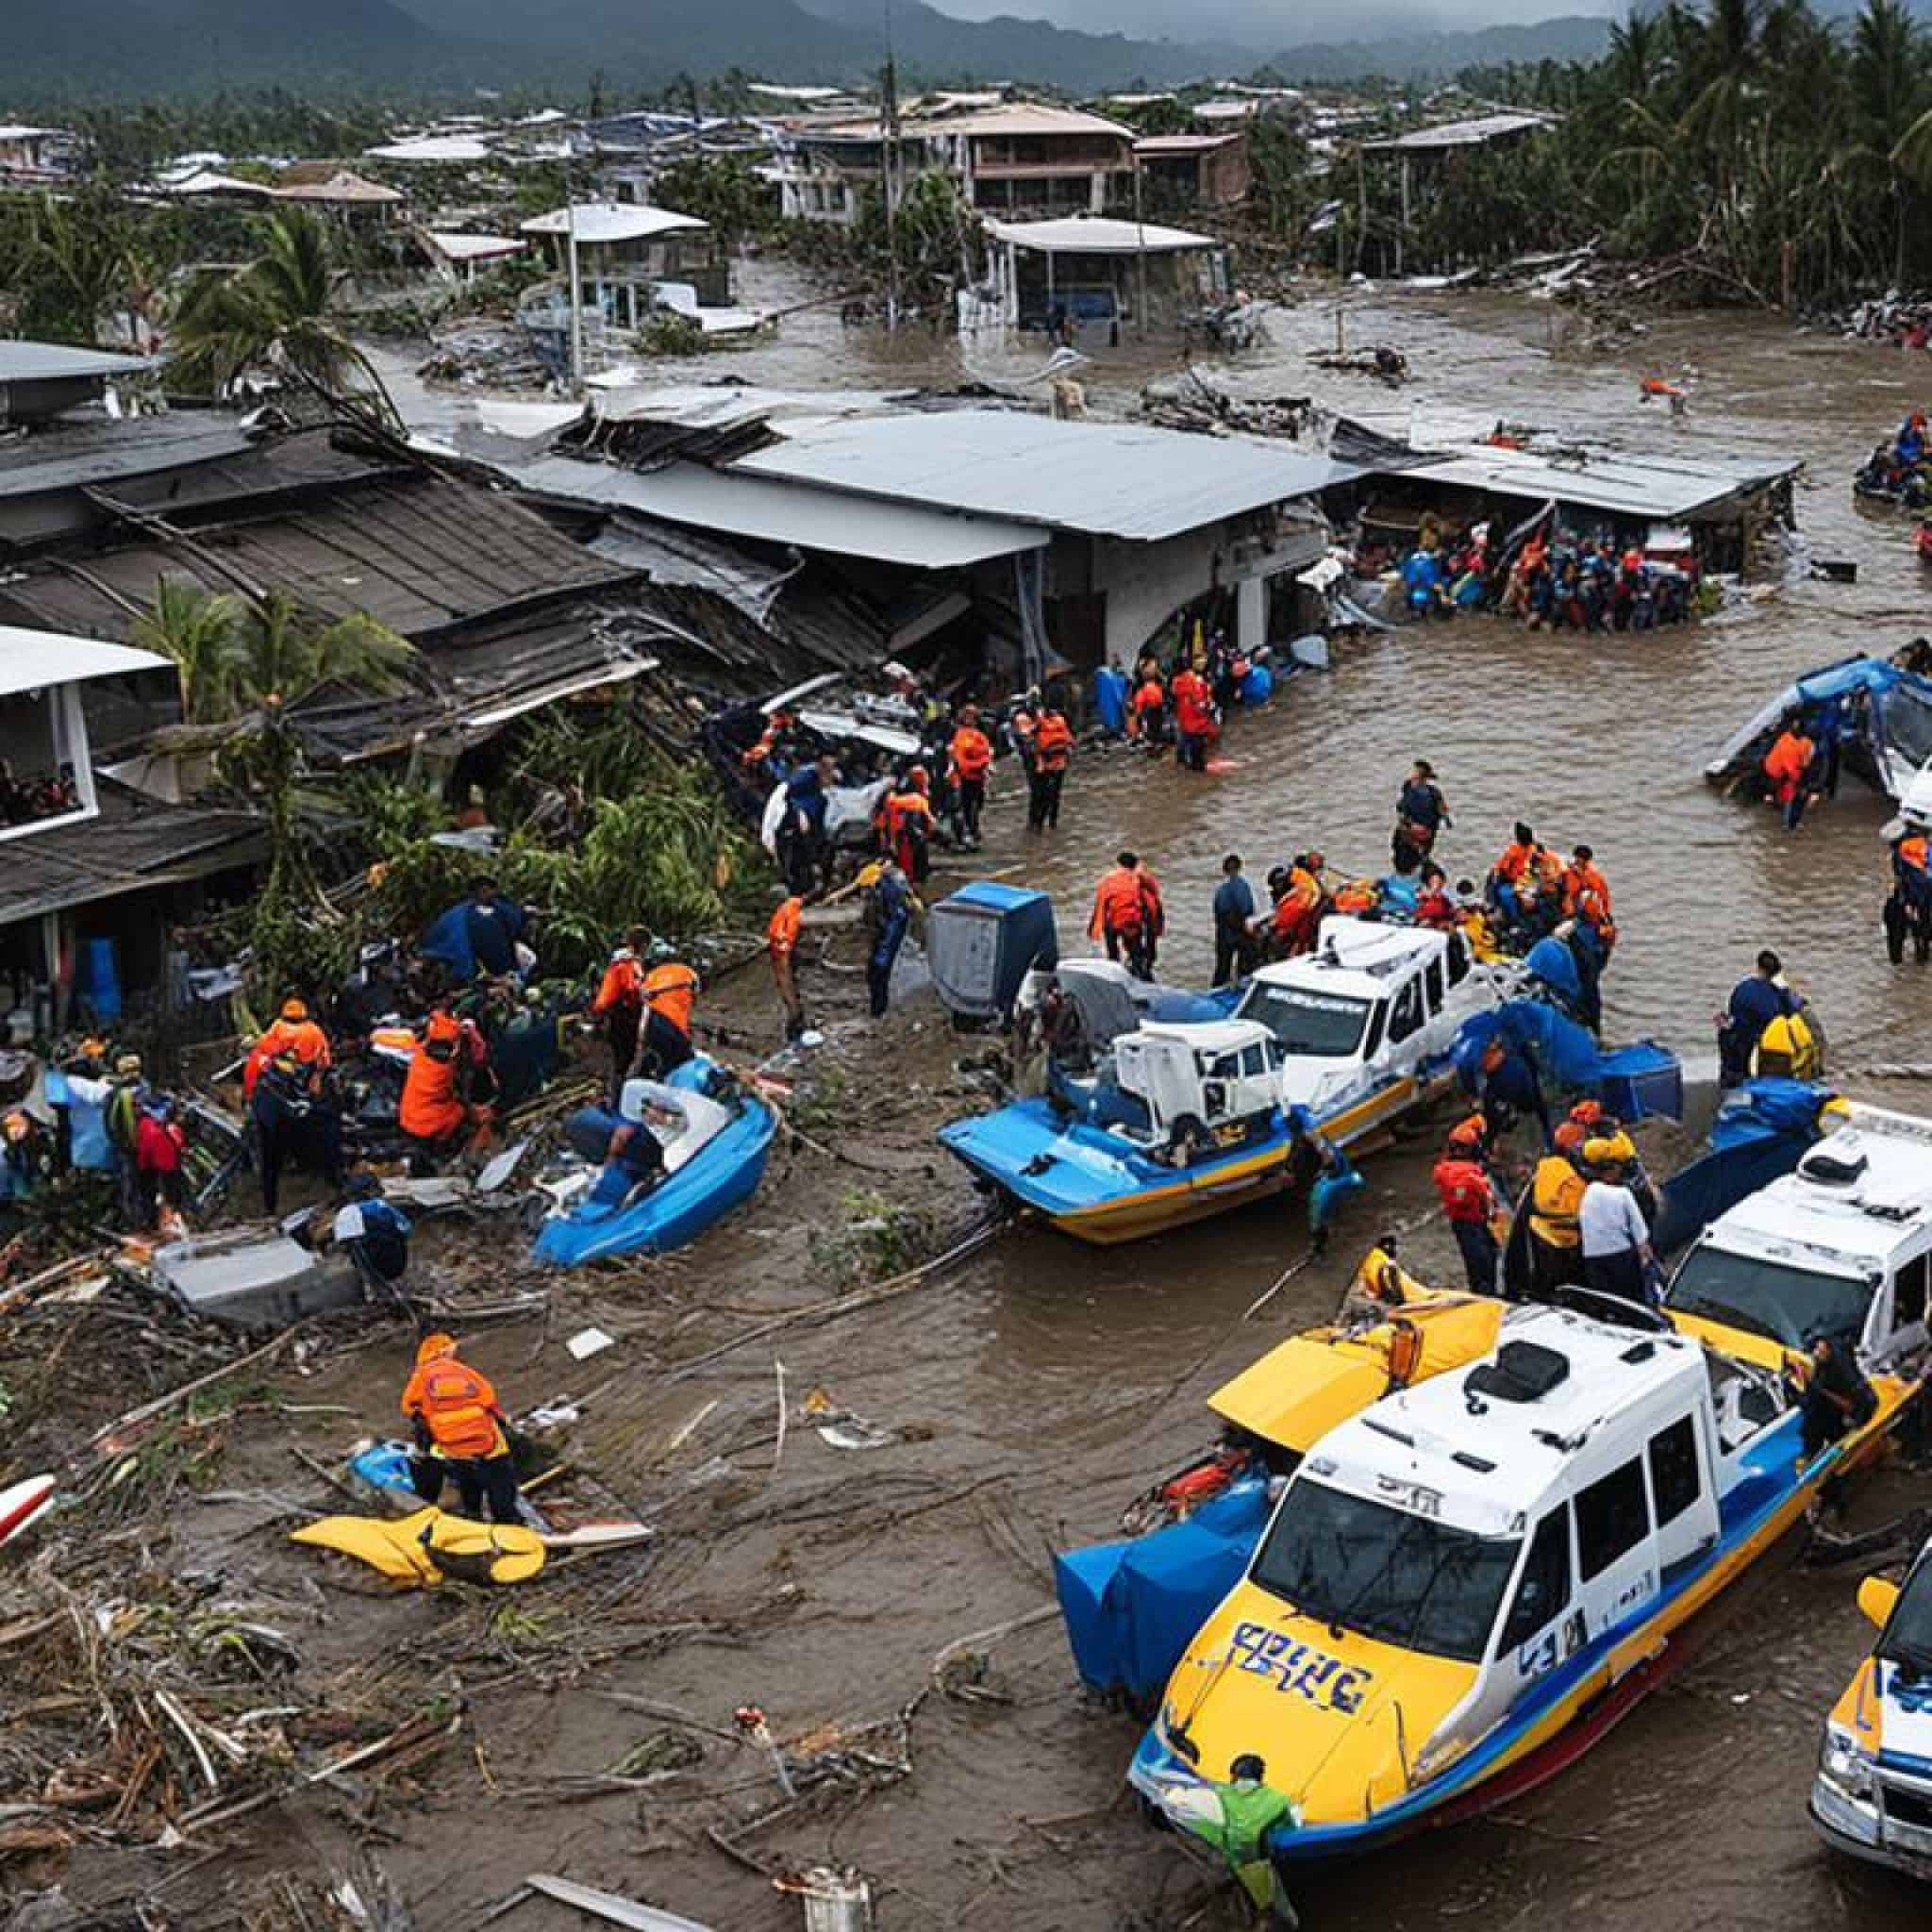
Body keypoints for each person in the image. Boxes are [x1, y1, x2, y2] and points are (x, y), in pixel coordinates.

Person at [400, 1333, 522, 1524]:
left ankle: (473, 1515)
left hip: (455, 1448)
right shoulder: (465, 1372)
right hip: (487, 1444)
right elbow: (489, 1400)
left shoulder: (421, 1377)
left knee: (467, 1485)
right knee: (501, 1486)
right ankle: (509, 1521)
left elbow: (409, 1407)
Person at [1199, 1753, 1300, 1930]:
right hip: (1255, 1868)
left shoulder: (1217, 1793)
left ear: (1234, 1775)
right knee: (1283, 1916)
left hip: (1216, 1865)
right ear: (1260, 1776)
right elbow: (1289, 1830)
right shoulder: (1276, 1799)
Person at [399, 1010, 484, 1169]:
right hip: (425, 1124)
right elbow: (477, 1058)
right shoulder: (444, 1069)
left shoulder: (421, 1054)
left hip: (407, 1116)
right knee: (459, 1112)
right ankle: (442, 1147)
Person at [1578, 1137, 1655, 1303]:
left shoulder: (1585, 1195)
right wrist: (1648, 1261)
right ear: (1610, 1170)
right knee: (1632, 1304)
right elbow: (1642, 1239)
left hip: (1592, 1261)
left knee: (1606, 1305)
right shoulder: (1622, 1194)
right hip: (1621, 1259)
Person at [1717, 950, 1806, 1086]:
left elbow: (1733, 1010)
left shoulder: (1743, 987)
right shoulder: (1779, 995)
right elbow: (1794, 1012)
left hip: (1739, 1044)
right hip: (1764, 1047)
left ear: (1758, 968)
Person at [1525, 1132, 1587, 1300]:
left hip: (1539, 1229)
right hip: (1563, 1237)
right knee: (1567, 1282)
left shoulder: (1544, 1166)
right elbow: (1577, 1210)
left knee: (1545, 1279)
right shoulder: (1571, 1177)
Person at [591, 928, 648, 1107]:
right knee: (623, 1060)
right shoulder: (625, 966)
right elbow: (624, 991)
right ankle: (618, 1099)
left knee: (623, 1059)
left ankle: (619, 1095)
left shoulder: (623, 964)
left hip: (622, 1017)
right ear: (642, 945)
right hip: (624, 1019)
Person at [1433, 1139, 1500, 1293]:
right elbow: (1487, 1200)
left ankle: (1477, 1289)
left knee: (1472, 1261)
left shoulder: (1443, 1171)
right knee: (1487, 1258)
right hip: (1477, 1221)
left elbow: (1439, 1180)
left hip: (1458, 1222)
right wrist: (1492, 1215)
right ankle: (1489, 1291)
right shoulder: (1474, 1175)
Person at [1799, 1335, 1879, 1463]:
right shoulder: (1820, 1372)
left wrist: (1819, 1388)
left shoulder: (1840, 1365)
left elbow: (1851, 1402)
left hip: (1858, 1411)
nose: (1818, 1353)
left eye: (1820, 1350)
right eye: (1816, 1351)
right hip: (1838, 1418)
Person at [333, 1170, 412, 1295]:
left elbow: (343, 1246)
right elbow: (407, 1229)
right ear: (370, 1191)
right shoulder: (382, 1206)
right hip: (397, 1263)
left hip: (369, 1268)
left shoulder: (345, 1214)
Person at [243, 997, 333, 1099]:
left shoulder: (281, 1026)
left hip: (290, 1067)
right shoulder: (313, 1030)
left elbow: (267, 1048)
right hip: (300, 1066)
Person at [1090, 851, 1159, 980]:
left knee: (1113, 953)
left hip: (1112, 921)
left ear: (1119, 864)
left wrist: (1093, 928)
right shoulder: (1143, 879)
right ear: (1135, 865)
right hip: (1132, 922)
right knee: (1136, 953)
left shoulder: (1108, 880)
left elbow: (1100, 905)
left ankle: (1114, 973)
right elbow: (1153, 905)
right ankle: (1140, 973)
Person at [635, 943, 700, 1075]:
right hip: (676, 1027)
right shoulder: (689, 972)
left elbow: (642, 999)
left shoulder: (651, 976)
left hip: (652, 1023)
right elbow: (695, 996)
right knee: (683, 1063)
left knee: (658, 1060)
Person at [862, 858, 914, 1019]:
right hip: (885, 937)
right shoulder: (889, 887)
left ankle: (879, 1011)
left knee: (878, 975)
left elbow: (892, 922)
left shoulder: (888, 891)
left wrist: (882, 950)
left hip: (886, 940)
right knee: (877, 975)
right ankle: (878, 1009)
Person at [1480, 1035, 1552, 1147]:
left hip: (1501, 1079)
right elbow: (1523, 1048)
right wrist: (1536, 1069)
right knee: (1539, 1107)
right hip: (1516, 1071)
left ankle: (1490, 1143)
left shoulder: (1473, 1048)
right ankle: (1549, 1139)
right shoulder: (1502, 1035)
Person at [134, 1096, 189, 1233]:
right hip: (165, 1167)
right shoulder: (165, 1130)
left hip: (152, 1165)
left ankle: (159, 1224)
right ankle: (167, 1224)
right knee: (168, 1196)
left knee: (152, 1196)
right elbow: (176, 1147)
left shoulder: (146, 1124)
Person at [947, 704, 993, 847]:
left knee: (977, 804)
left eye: (972, 716)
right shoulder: (958, 734)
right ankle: (968, 831)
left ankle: (973, 829)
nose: (970, 719)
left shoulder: (980, 735)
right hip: (964, 776)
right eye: (967, 716)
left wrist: (983, 764)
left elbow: (987, 753)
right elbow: (958, 756)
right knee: (966, 805)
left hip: (978, 776)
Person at [463, 876, 527, 979]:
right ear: (474, 892)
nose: (486, 892)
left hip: (506, 962)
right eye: (481, 889)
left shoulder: (503, 910)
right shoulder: (466, 914)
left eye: (488, 889)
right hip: (480, 966)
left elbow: (517, 921)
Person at [881, 767, 938, 880]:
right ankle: (917, 874)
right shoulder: (917, 799)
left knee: (907, 854)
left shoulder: (895, 797)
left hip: (901, 833)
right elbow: (930, 821)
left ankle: (914, 874)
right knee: (913, 853)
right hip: (907, 833)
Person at [768, 888, 809, 1041]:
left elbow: (783, 936)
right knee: (792, 988)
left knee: (788, 989)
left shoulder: (785, 912)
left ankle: (796, 1023)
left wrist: (781, 951)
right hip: (788, 953)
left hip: (783, 955)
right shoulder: (792, 907)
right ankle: (797, 1021)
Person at [1761, 714, 1815, 831]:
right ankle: (1787, 824)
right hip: (1779, 771)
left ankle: (1781, 809)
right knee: (1790, 796)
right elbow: (1791, 769)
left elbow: (1802, 762)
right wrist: (1800, 784)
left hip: (1775, 768)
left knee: (1790, 793)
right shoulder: (1790, 747)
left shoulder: (1787, 737)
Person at [1393, 760, 1448, 871]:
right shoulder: (1408, 789)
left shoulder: (1433, 793)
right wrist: (1410, 825)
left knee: (1419, 859)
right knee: (1404, 858)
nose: (1413, 776)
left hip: (1425, 833)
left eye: (1416, 773)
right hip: (1408, 833)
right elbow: (1401, 811)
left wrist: (1444, 817)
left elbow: (1442, 810)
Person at [1212, 854, 1257, 988]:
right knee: (1244, 969)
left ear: (1224, 869)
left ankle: (1216, 992)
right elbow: (1248, 909)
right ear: (1239, 867)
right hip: (1241, 931)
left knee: (1222, 968)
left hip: (1225, 932)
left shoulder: (1221, 890)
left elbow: (1218, 913)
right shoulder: (1244, 886)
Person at [1889, 834, 1932, 966]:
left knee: (1907, 928)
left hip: (1911, 897)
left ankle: (1906, 961)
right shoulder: (1925, 849)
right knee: (1923, 925)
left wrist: (1906, 901)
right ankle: (1922, 956)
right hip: (1923, 896)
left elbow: (1901, 878)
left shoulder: (1900, 854)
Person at [1029, 702, 1074, 828]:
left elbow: (1030, 738)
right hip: (1060, 763)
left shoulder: (1039, 723)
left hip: (1045, 764)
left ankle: (1039, 824)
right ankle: (1052, 823)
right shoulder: (1061, 721)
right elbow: (1070, 741)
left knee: (1043, 795)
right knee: (1055, 794)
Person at [1171, 660, 1216, 773]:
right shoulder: (1195, 681)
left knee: (1183, 752)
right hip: (1197, 726)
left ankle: (1185, 765)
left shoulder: (1176, 683)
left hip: (1185, 724)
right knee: (1197, 759)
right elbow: (1202, 703)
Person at [1129, 666, 1168, 747]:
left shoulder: (1143, 689)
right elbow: (1161, 697)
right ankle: (1157, 742)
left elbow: (1139, 702)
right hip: (1158, 708)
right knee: (1157, 726)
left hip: (1151, 710)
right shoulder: (1155, 685)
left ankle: (1153, 742)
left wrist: (1139, 713)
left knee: (1152, 727)